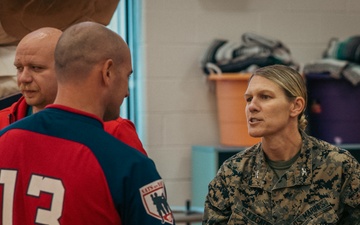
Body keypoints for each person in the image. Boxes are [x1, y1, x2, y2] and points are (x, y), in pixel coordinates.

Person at [0, 21, 174, 224]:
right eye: (126, 76)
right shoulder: (129, 165)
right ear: (107, 72)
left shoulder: (6, 139)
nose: (127, 92)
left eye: (36, 68)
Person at [203, 64, 360, 225]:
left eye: (265, 97)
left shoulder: (339, 167)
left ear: (296, 106)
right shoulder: (232, 174)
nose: (251, 106)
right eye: (249, 99)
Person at [0, 26, 147, 155]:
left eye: (36, 68)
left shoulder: (115, 131)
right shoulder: (3, 121)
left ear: (65, 69)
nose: (24, 78)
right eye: (19, 68)